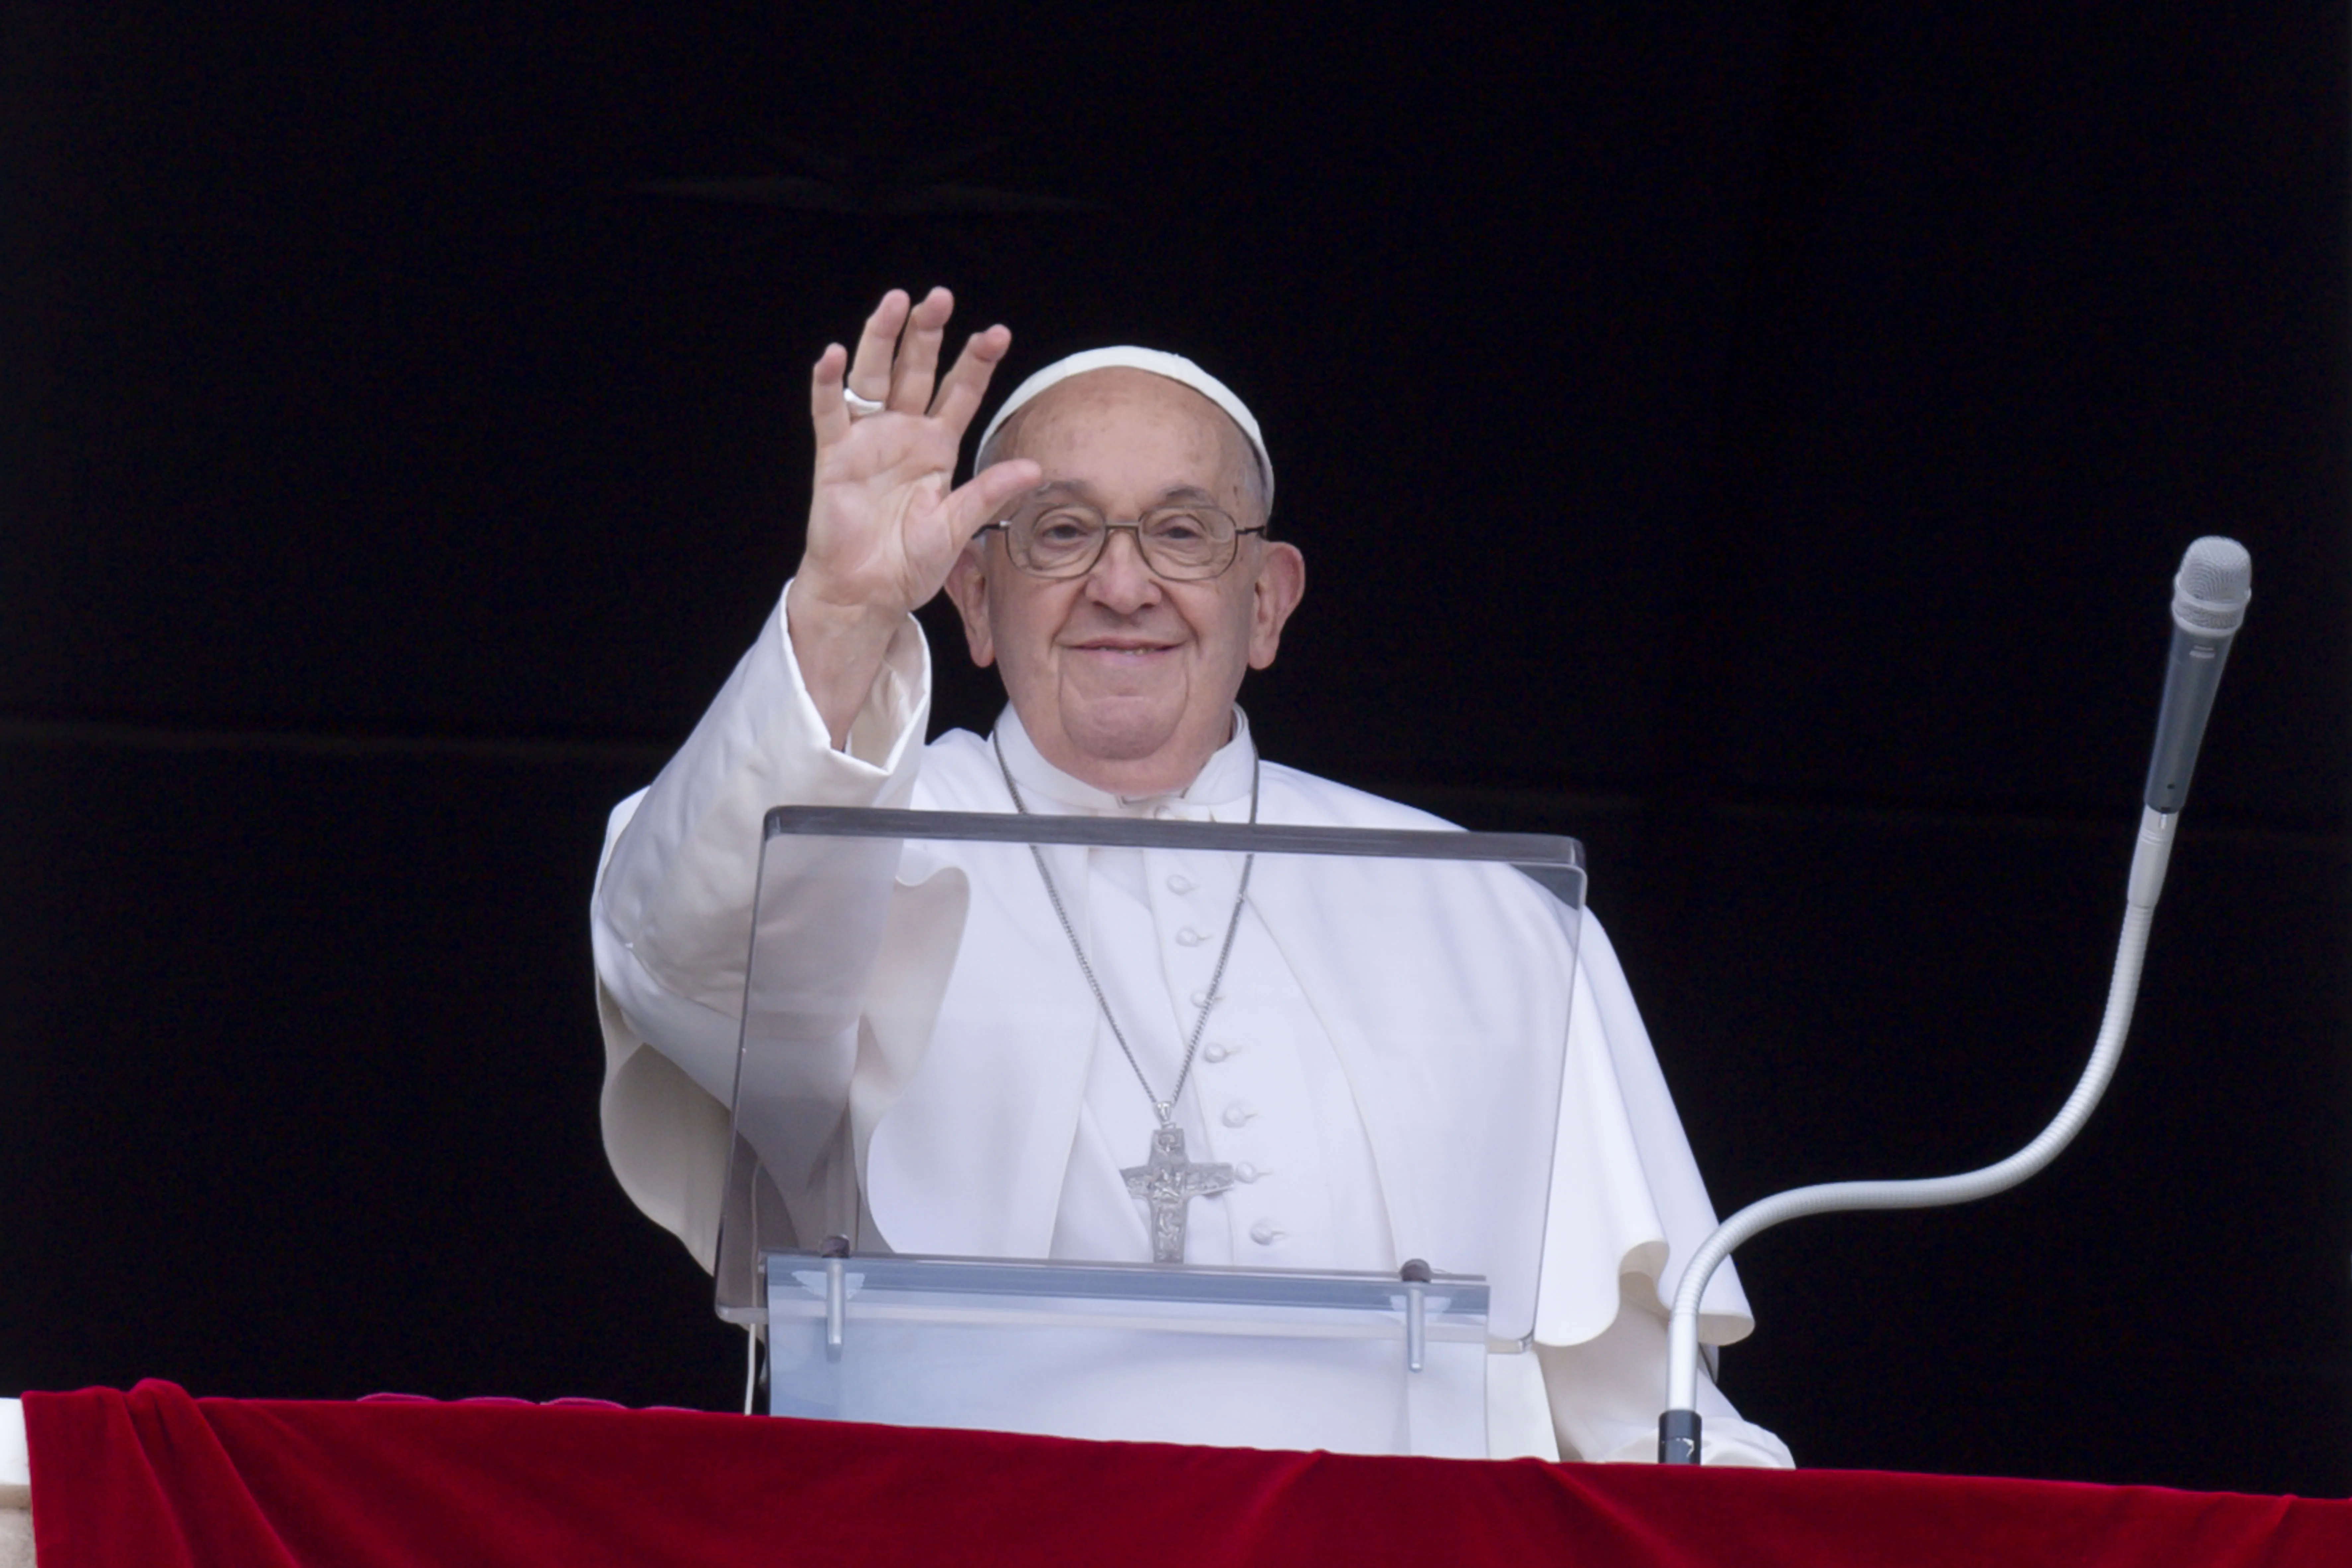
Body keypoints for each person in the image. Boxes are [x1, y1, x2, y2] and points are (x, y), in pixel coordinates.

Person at [590, 288, 1791, 1465]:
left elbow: (1644, 1416)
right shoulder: (839, 842)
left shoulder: (1486, 916)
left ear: (1264, 603)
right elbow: (679, 957)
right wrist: (842, 613)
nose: (1123, 586)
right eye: (1061, 532)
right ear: (973, 597)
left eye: (1183, 532)